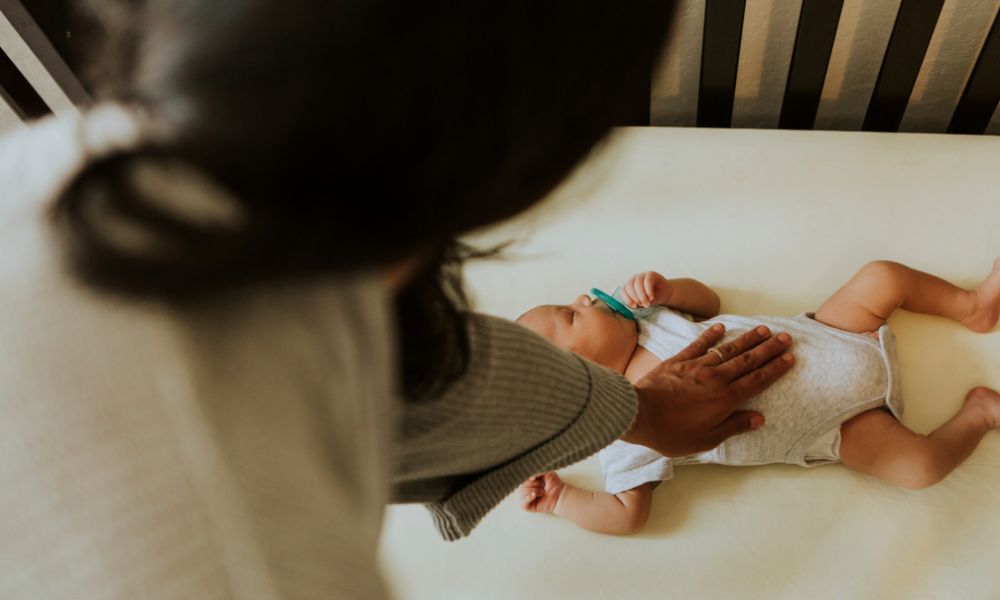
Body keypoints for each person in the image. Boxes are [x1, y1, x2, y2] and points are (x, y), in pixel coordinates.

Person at [0, 1, 794, 598]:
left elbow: (446, 371)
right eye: (563, 319)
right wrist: (611, 444)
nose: (575, 310)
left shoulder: (83, 162)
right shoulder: (251, 562)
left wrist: (635, 405)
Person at [516, 261, 1000, 535]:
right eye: (571, 315)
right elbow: (628, 515)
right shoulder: (624, 432)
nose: (584, 299)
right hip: (840, 426)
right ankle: (979, 414)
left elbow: (709, 305)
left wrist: (669, 288)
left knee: (881, 277)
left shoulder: (650, 318)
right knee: (919, 468)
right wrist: (562, 498)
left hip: (831, 332)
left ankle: (973, 308)